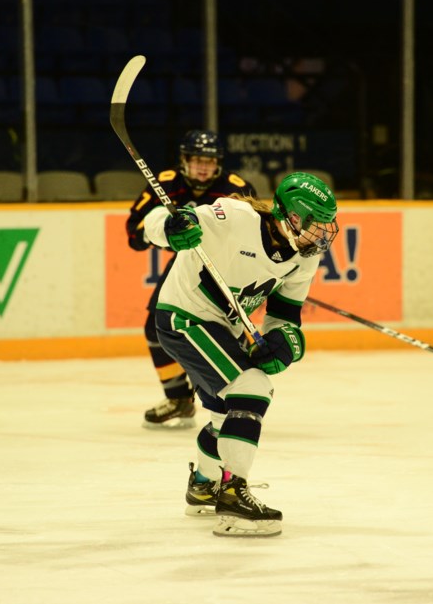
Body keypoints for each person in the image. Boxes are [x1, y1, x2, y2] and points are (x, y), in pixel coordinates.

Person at [141, 172, 339, 537]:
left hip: (224, 327)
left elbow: (283, 317)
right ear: (290, 216)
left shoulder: (303, 259)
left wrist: (284, 341)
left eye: (328, 226)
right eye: (315, 225)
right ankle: (233, 493)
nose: (322, 234)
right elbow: (151, 221)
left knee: (225, 415)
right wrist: (170, 229)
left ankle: (203, 486)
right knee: (253, 388)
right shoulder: (232, 217)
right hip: (184, 317)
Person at [125, 130, 257, 429]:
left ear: (219, 164)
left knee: (227, 333)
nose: (202, 167)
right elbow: (135, 232)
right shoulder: (166, 183)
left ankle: (233, 397)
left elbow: (255, 233)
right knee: (155, 327)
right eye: (196, 160)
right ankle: (179, 399)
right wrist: (163, 234)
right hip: (185, 264)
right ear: (184, 161)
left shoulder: (236, 188)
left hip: (229, 268)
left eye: (209, 161)